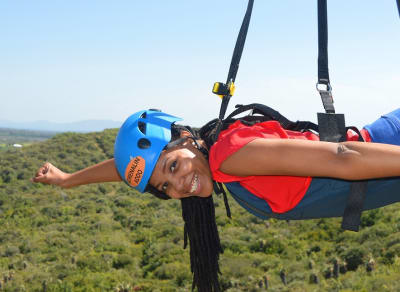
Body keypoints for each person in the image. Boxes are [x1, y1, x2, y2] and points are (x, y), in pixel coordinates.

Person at [32, 107, 400, 292]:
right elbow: (132, 169)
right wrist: (69, 180)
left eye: (173, 167)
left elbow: (344, 157)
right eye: (164, 188)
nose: (177, 187)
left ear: (187, 139)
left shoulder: (228, 156)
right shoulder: (215, 157)